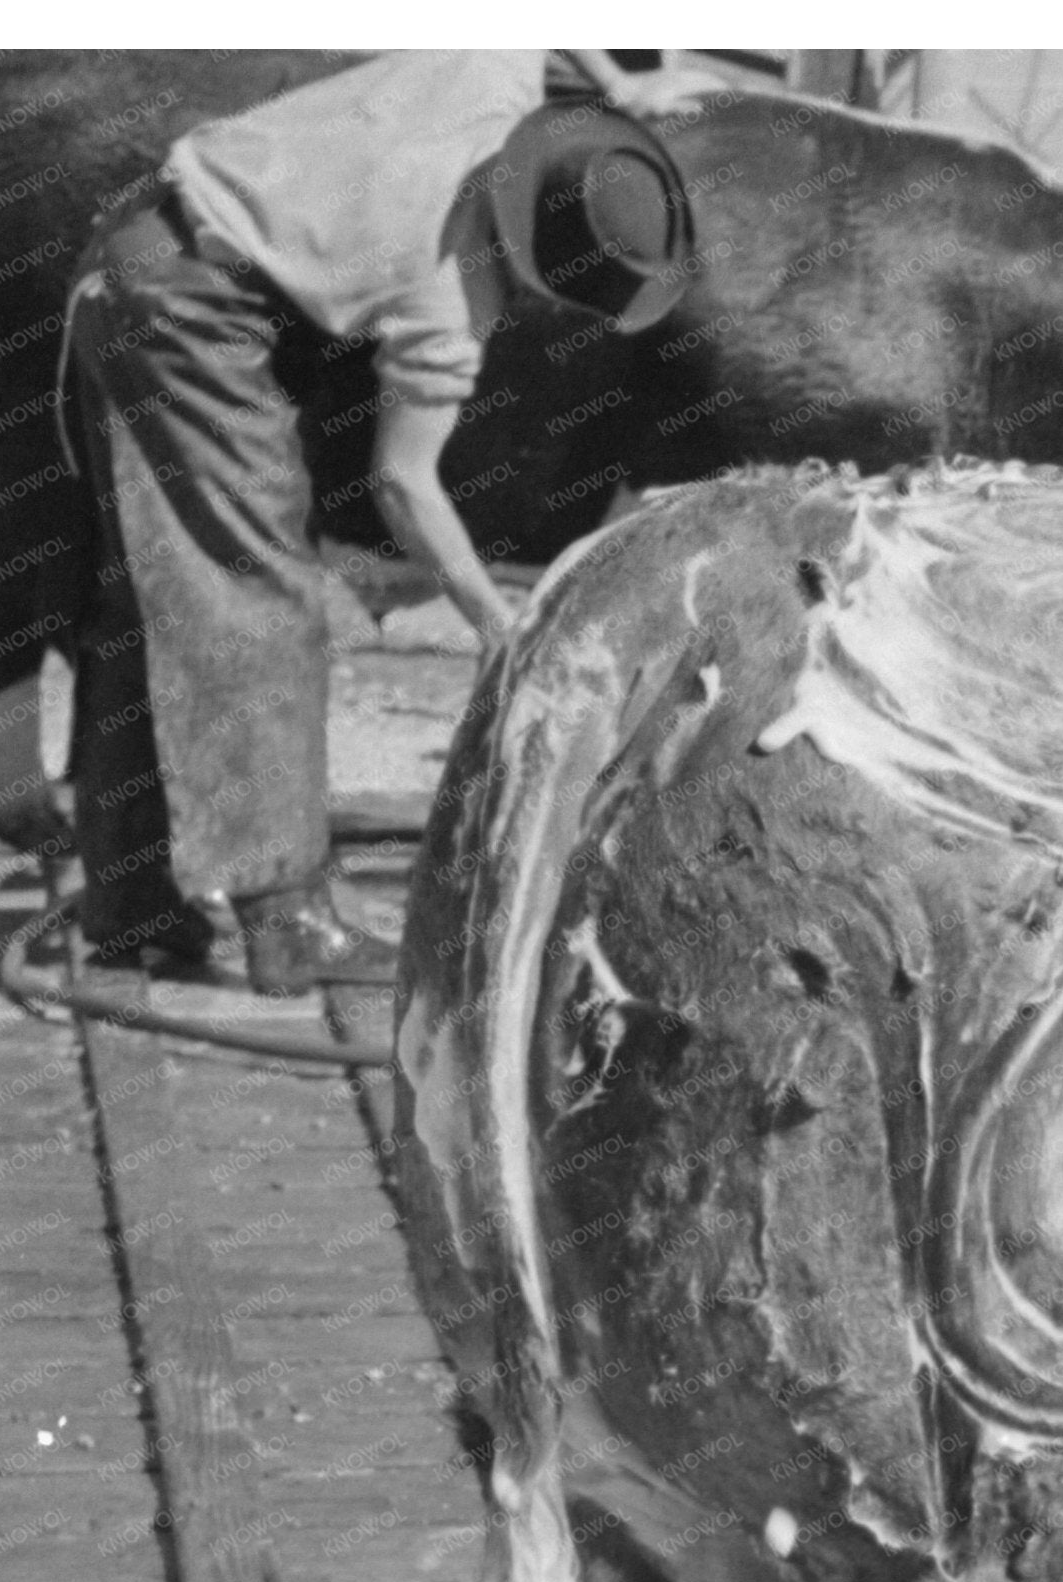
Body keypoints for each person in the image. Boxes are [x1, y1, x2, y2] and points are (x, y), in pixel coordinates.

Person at [63, 50, 724, 992]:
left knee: (160, 589)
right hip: (185, 310)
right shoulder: (448, 293)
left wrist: (616, 84)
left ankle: (130, 899)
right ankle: (286, 914)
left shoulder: (491, 82)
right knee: (257, 586)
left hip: (142, 245)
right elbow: (404, 484)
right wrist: (498, 621)